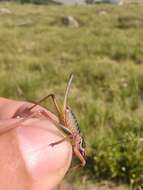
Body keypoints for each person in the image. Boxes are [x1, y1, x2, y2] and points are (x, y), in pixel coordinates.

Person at [0, 97, 72, 190]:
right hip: (67, 123)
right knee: (49, 101)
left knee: (48, 103)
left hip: (66, 125)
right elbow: (71, 136)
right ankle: (19, 122)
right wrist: (55, 143)